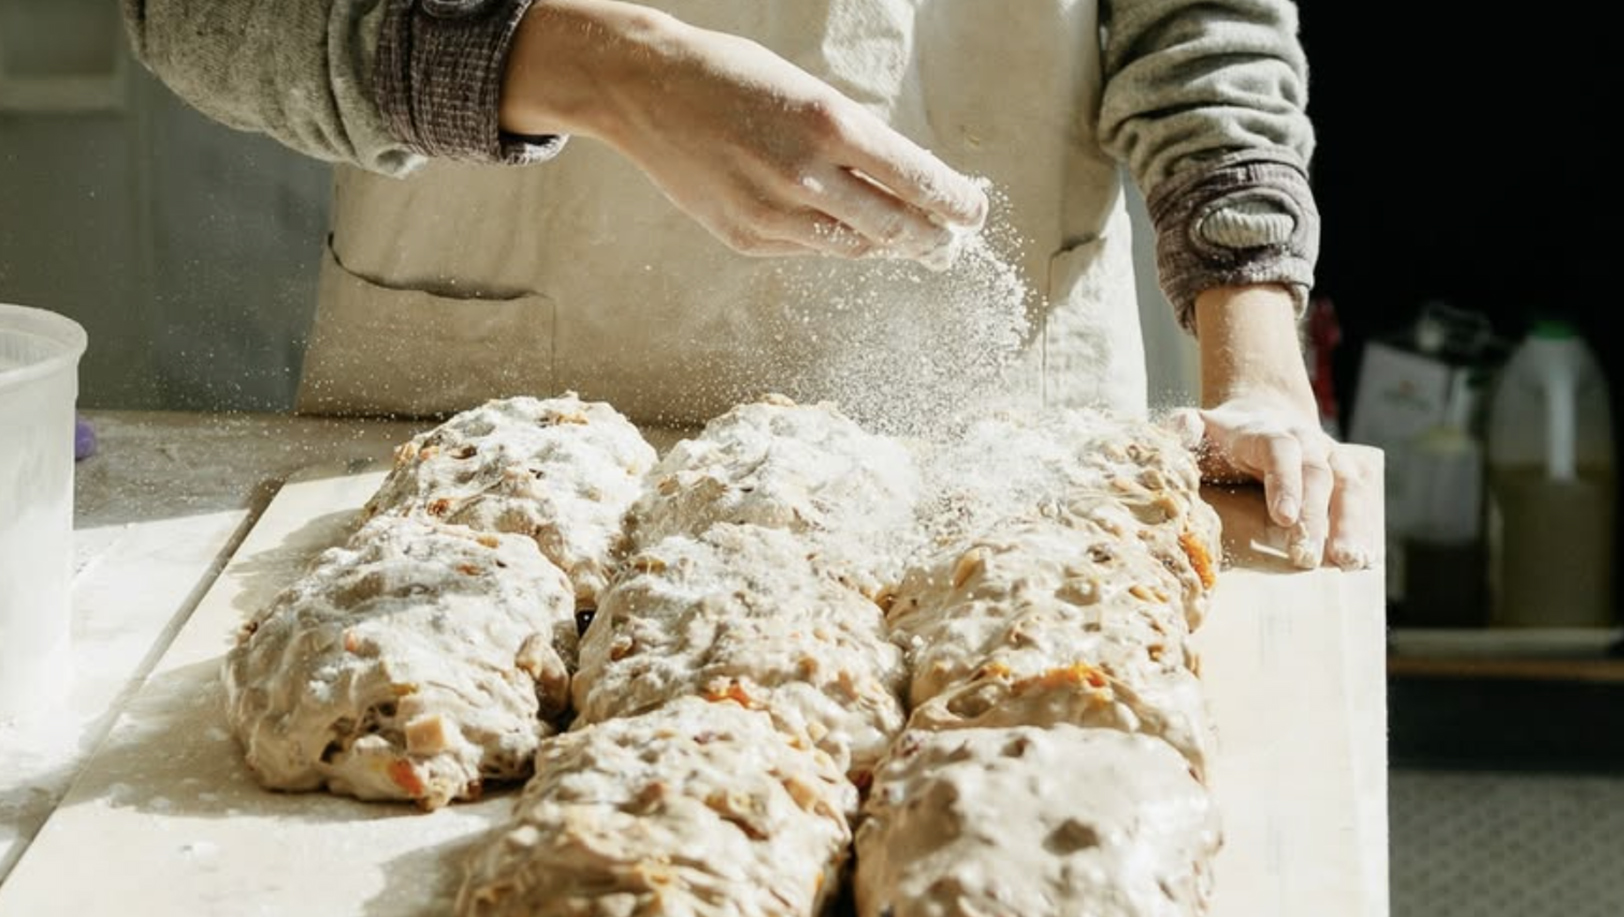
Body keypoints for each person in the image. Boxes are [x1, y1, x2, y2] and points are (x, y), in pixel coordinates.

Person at [121, 0, 1377, 571]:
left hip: (987, 448)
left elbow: (1202, 21)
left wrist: (1254, 363)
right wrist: (604, 69)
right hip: (469, 451)